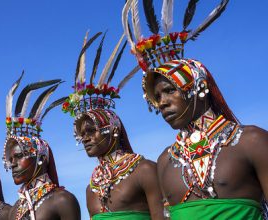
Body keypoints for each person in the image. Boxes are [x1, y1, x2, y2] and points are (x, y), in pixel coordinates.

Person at [122, 0, 268, 219]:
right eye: (157, 97)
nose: (162, 102)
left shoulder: (251, 141)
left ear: (199, 86)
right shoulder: (165, 160)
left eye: (170, 90)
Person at [62, 31, 164, 219]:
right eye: (81, 133)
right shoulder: (90, 188)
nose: (85, 138)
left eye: (91, 130)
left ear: (113, 130)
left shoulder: (145, 170)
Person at [3, 72, 81, 220]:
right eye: (10, 158)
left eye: (19, 156)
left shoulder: (62, 200)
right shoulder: (14, 210)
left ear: (40, 157)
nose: (12, 164)